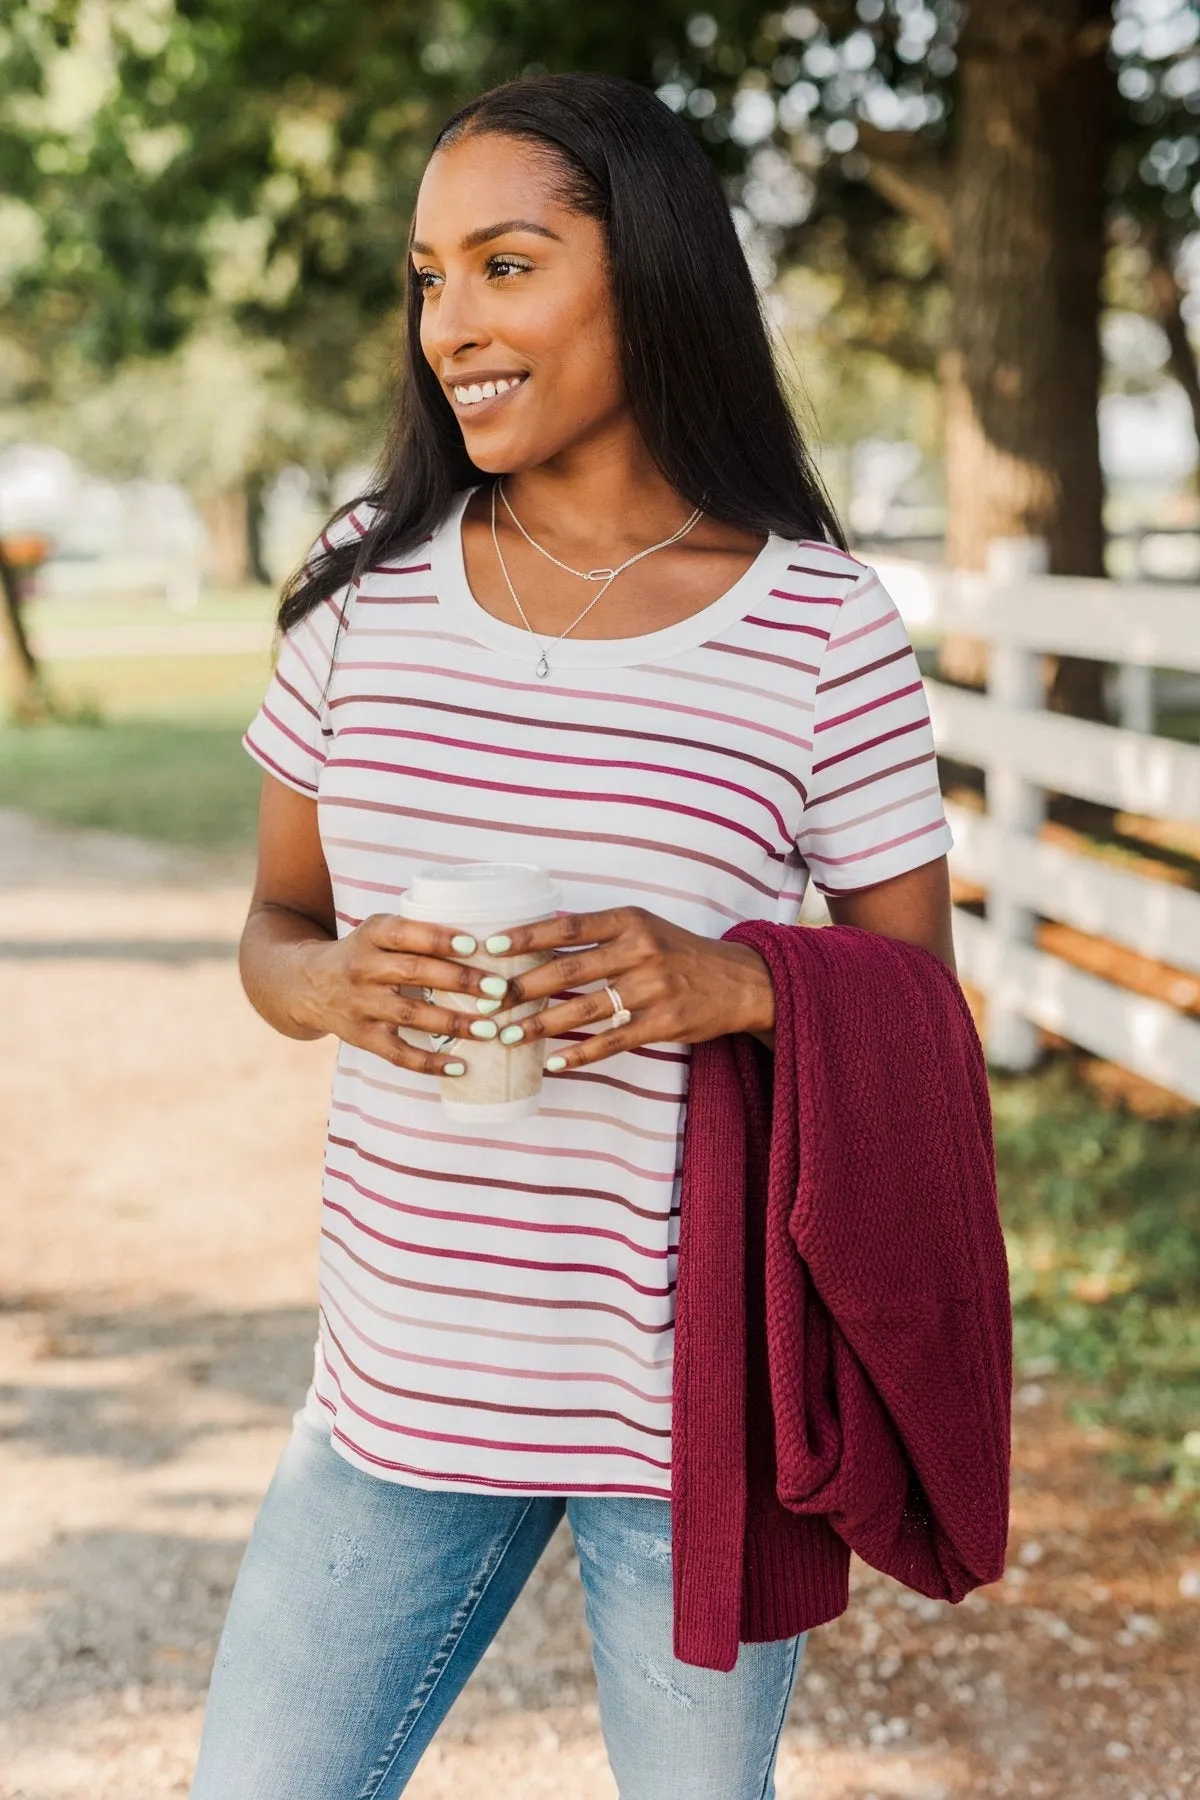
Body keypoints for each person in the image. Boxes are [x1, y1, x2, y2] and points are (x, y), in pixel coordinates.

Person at [190, 70, 956, 1800]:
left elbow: (920, 1011)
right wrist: (326, 984)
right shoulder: (359, 585)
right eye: (427, 275)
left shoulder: (819, 625)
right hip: (397, 1394)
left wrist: (730, 980)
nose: (451, 320)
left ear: (651, 271)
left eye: (505, 264)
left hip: (692, 1418)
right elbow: (273, 926)